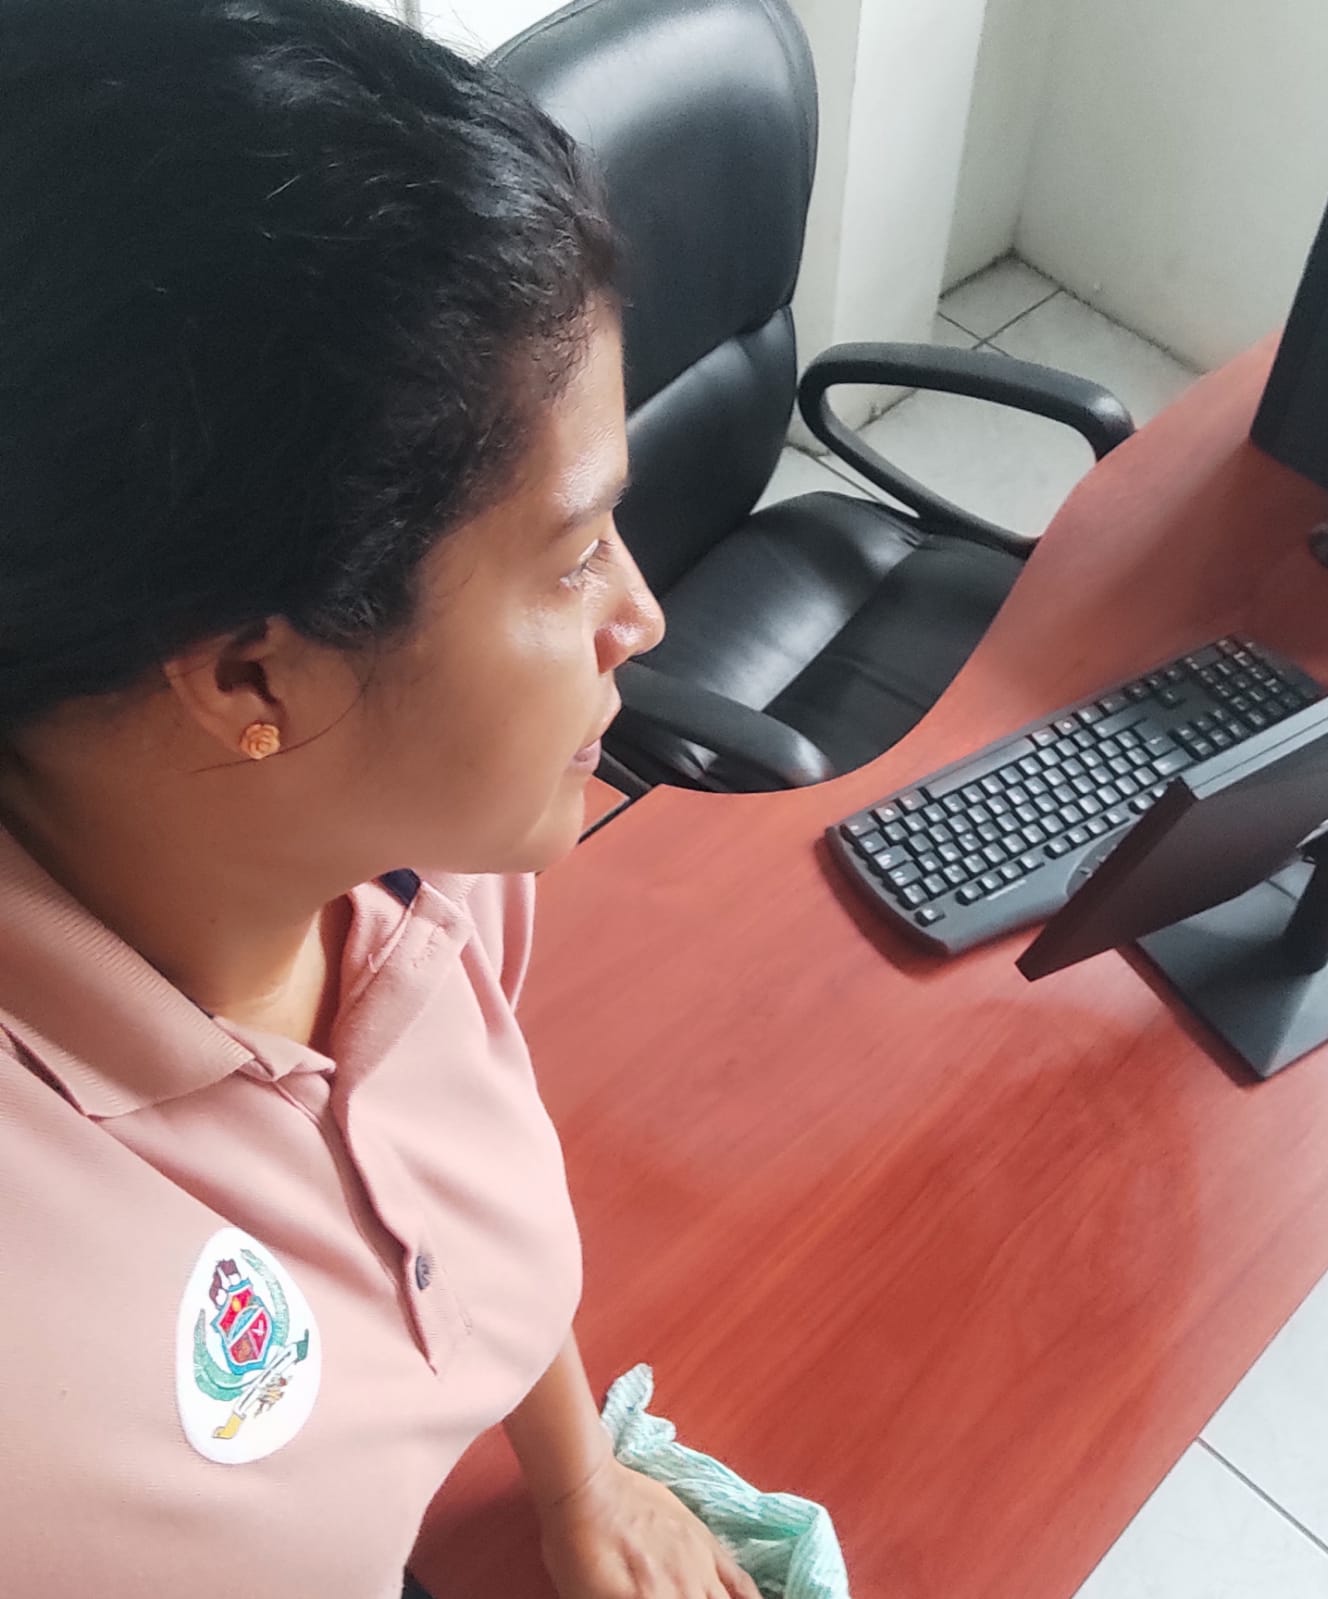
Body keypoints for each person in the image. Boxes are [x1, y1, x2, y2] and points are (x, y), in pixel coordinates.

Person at [0, 2, 758, 1595]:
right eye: (574, 557)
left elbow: (454, 1189)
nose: (641, 615)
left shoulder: (426, 868)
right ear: (252, 680)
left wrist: (580, 1475)